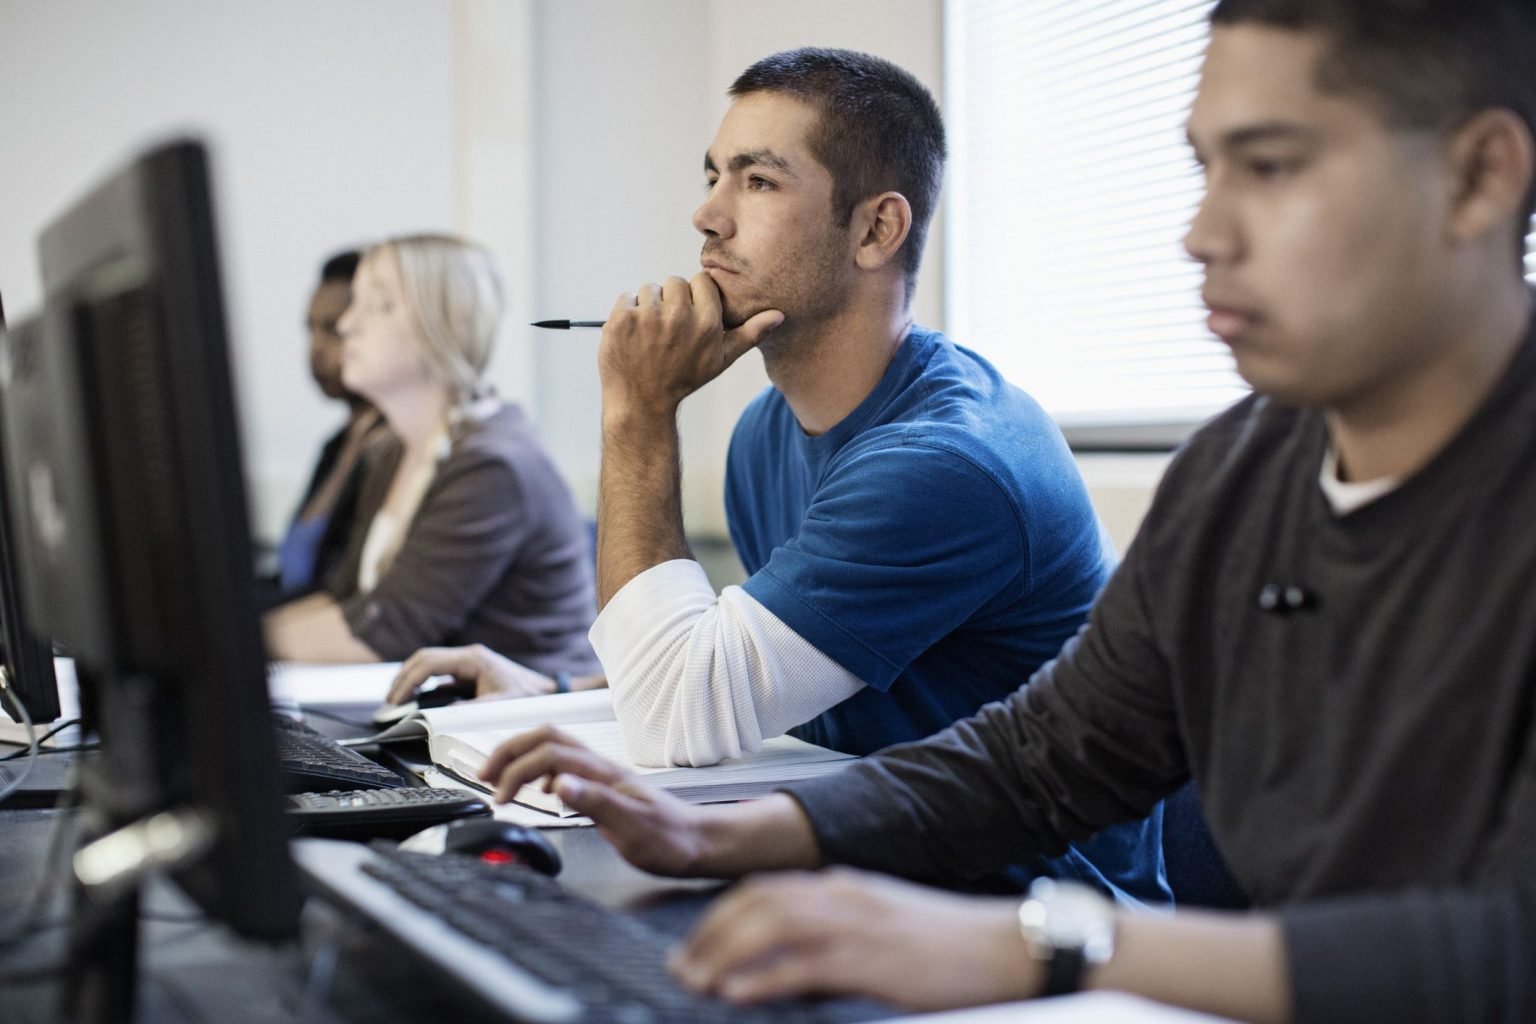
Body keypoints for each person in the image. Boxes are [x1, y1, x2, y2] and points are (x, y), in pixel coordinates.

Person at [476, 3, 1536, 1020]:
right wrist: (729, 836)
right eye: (1204, 169)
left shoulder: (963, 452)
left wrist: (1031, 943)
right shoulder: (1243, 468)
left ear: (1479, 176)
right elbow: (1044, 754)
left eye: (1270, 167)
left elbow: (1501, 952)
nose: (1202, 232)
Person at [393, 48, 1167, 905]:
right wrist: (555, 690)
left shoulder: (942, 464)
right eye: (714, 175)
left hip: (1022, 908)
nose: (706, 216)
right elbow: (771, 665)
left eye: (758, 182)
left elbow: (674, 717)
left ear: (877, 230)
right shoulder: (768, 431)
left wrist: (639, 414)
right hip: (863, 855)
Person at [264, 234, 599, 678]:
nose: (347, 326)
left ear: (441, 327)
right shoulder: (390, 451)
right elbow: (348, 599)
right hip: (442, 715)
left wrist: (232, 646)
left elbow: (386, 630)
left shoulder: (492, 465)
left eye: (378, 306)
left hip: (525, 725)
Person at [262, 249, 387, 608]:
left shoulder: (395, 449)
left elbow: (349, 595)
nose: (315, 350)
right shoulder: (336, 446)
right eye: (310, 329)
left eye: (334, 330)